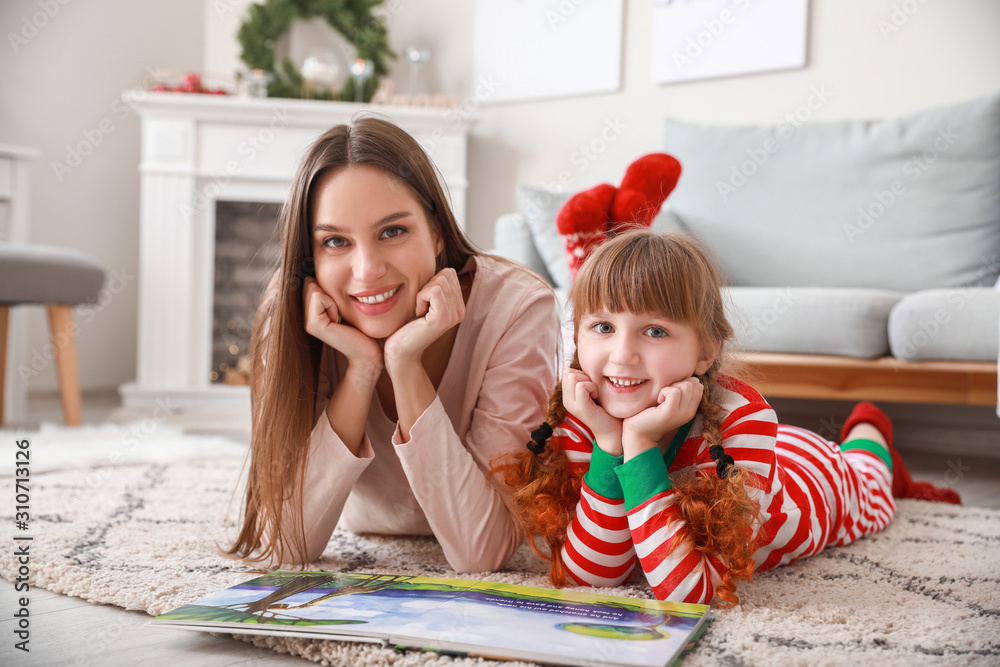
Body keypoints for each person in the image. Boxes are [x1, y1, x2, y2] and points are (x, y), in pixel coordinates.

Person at [494, 229, 960, 606]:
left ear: (705, 351)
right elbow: (588, 577)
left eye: (654, 331)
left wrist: (637, 446)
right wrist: (609, 445)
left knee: (868, 476)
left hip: (815, 481)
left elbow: (692, 592)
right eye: (603, 327)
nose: (622, 354)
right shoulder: (584, 414)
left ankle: (868, 431)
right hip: (776, 450)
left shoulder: (745, 419)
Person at [229, 116, 559, 572]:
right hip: (368, 521)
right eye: (335, 241)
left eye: (392, 232)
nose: (366, 270)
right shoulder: (291, 317)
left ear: (437, 230)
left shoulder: (518, 308)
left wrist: (405, 364)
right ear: (310, 256)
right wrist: (362, 370)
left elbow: (480, 550)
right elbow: (287, 546)